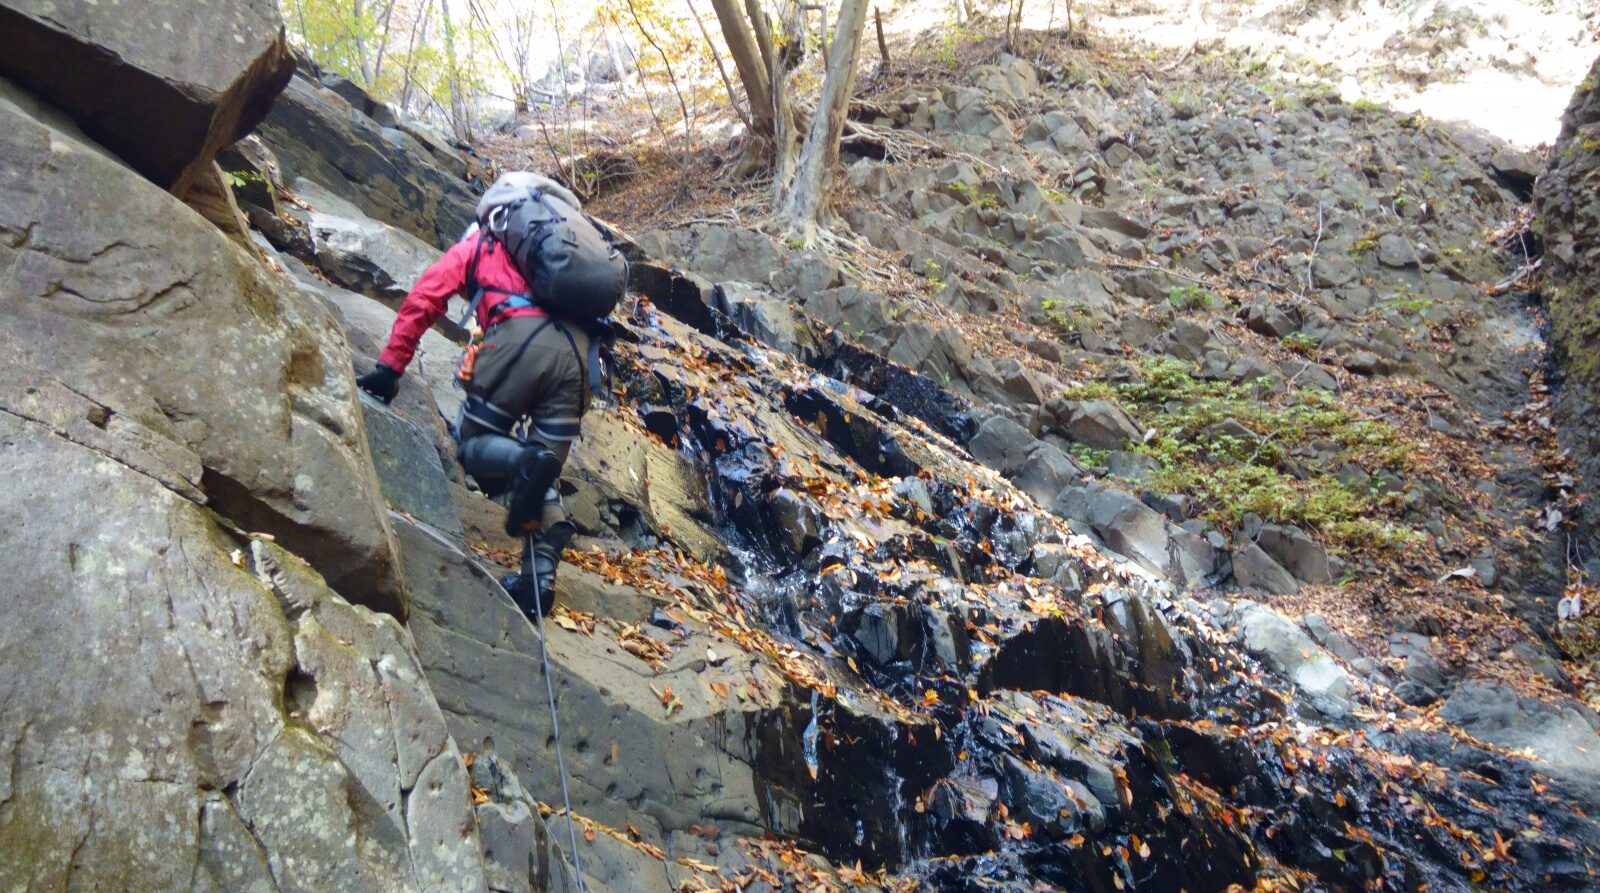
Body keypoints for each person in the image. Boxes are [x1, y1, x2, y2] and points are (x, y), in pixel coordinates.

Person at [356, 199, 593, 617]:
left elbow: (425, 298)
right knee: (544, 474)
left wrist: (390, 367)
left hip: (523, 343)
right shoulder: (553, 263)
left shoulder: (477, 245)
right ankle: (537, 587)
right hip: (581, 363)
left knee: (476, 447)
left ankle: (524, 461)